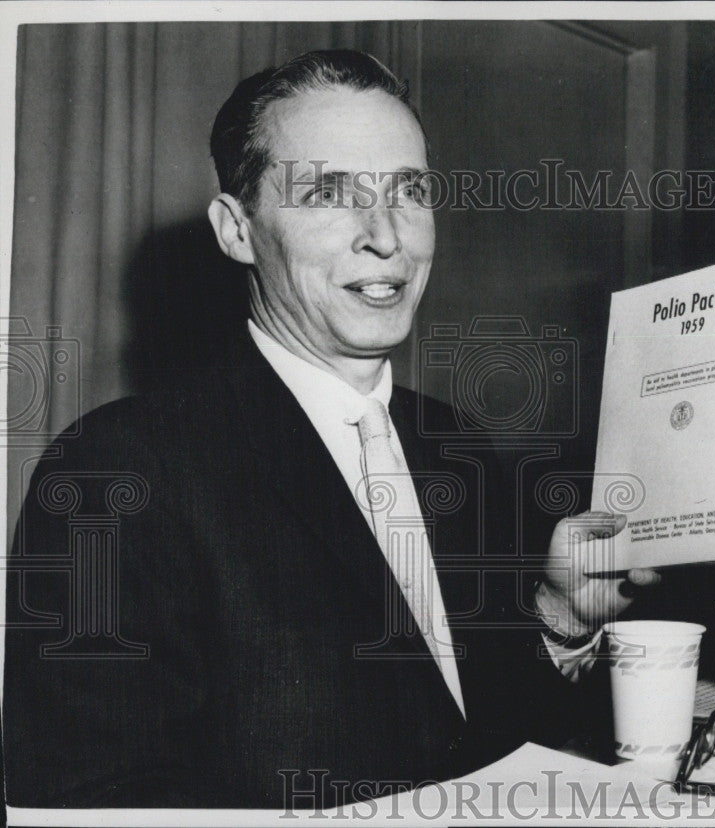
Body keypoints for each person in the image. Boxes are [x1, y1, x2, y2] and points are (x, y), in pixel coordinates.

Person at [2, 49, 658, 809]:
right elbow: (92, 803)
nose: (386, 236)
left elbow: (494, 744)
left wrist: (560, 618)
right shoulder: (112, 474)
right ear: (236, 230)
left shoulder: (456, 444)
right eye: (329, 193)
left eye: (408, 191)